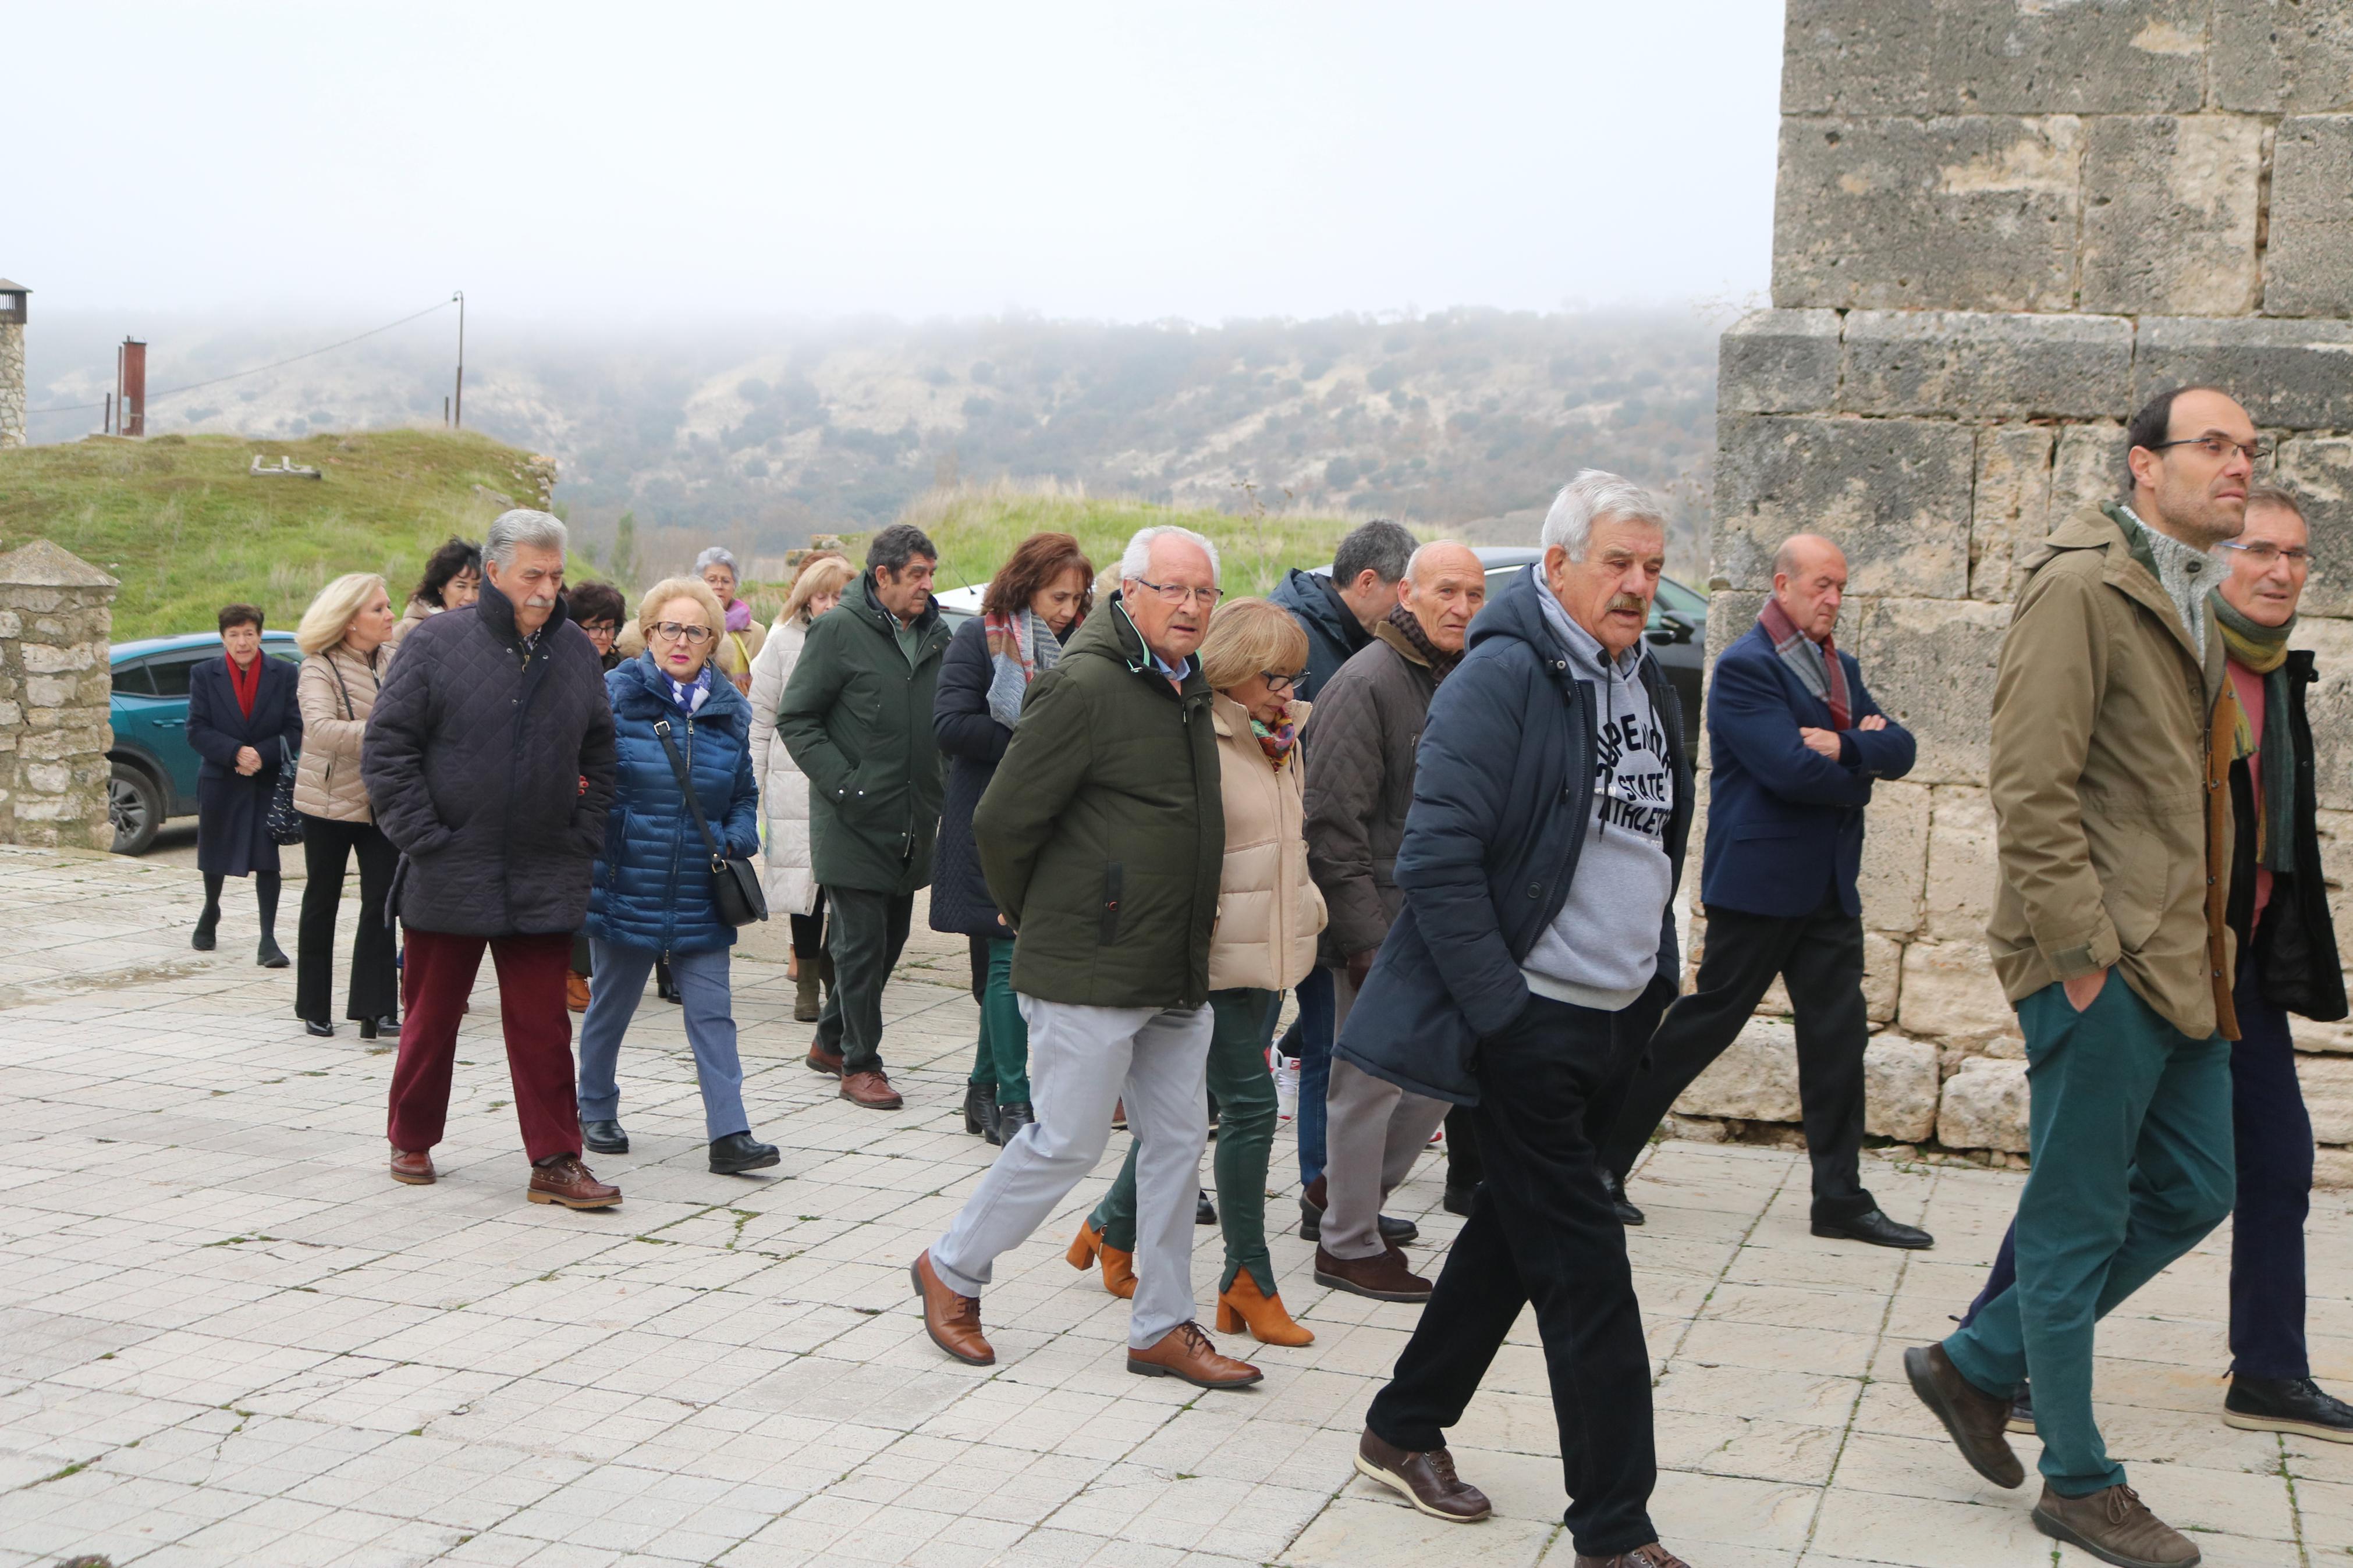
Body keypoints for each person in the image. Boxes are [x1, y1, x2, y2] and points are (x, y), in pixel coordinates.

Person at [1903, 386, 2256, 1568]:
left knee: (2195, 1187)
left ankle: (1975, 1361)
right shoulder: (2079, 585)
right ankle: (2075, 1477)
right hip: (2100, 964)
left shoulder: (2189, 592)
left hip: (2183, 965)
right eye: (2211, 446)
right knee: (2072, 1223)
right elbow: (2028, 781)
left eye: (2247, 450)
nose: (2236, 466)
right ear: (2140, 466)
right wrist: (2078, 957)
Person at [1340, 471, 1692, 1568]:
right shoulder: (1498, 680)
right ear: (1554, 568)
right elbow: (1434, 866)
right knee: (1588, 1275)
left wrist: (1654, 982)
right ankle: (1613, 1532)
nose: (1637, 585)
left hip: (1617, 1021)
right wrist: (1506, 1019)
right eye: (1615, 565)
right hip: (1532, 1024)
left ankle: (1401, 1428)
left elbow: (1647, 845)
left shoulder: (1648, 681)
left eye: (1650, 565)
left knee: (1508, 1238)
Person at [1955, 485, 2353, 1450]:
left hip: (2234, 964)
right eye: (2259, 549)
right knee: (2085, 1175)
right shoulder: (2176, 649)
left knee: (2268, 1165)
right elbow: (2041, 784)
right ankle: (1993, 1356)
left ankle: (2266, 1370)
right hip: (2143, 959)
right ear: (2221, 560)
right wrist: (2086, 956)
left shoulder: (2280, 676)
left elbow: (2265, 838)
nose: (2277, 570)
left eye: (2295, 555)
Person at [912, 524, 1262, 1391]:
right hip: (1088, 960)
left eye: (1203, 592)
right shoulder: (1084, 683)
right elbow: (1001, 819)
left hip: (1172, 961)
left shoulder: (1185, 684)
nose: (1189, 606)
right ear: (1129, 592)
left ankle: (1162, 1325)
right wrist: (1048, 916)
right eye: (1172, 589)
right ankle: (951, 1268)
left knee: (1178, 1140)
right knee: (1065, 1140)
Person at [1595, 535, 1931, 1250]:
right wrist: (1855, 763)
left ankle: (1838, 1198)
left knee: (1836, 1041)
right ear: (1781, 586)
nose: (1833, 599)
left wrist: (1846, 747)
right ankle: (1600, 1165)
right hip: (1759, 886)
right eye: (1820, 586)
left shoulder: (1841, 670)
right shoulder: (1747, 668)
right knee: (1701, 1028)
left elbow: (1899, 746)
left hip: (1827, 892)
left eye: (1840, 586)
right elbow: (1787, 771)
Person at [1072, 596, 1327, 1346]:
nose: (1289, 690)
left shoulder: (1281, 738)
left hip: (1270, 952)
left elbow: (1286, 845)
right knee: (1247, 1108)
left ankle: (1107, 1228)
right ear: (1235, 673)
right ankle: (1246, 1279)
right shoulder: (1196, 738)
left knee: (1193, 1108)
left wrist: (1305, 908)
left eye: (1294, 674)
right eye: (1276, 676)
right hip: (1209, 959)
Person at [364, 510, 622, 1210]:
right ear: (495, 573)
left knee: (543, 1028)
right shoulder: (435, 643)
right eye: (532, 574)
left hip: (545, 866)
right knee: (431, 1016)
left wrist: (582, 830)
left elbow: (601, 752)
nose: (545, 588)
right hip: (451, 863)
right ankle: (411, 1137)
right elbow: (387, 749)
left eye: (556, 575)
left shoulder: (573, 649)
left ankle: (556, 1161)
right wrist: (425, 837)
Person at [1298, 541, 1487, 1301]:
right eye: (1446, 591)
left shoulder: (1461, 678)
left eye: (1474, 594)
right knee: (1366, 1085)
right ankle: (1345, 1242)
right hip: (1376, 926)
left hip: (1442, 920)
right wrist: (1362, 937)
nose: (1462, 606)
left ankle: (1338, 1199)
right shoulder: (1365, 682)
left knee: (1435, 1077)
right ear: (1406, 592)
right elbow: (1330, 822)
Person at [573, 577, 780, 1176]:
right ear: (648, 632)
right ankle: (596, 1108)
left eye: (695, 630)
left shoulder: (729, 710)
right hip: (626, 881)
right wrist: (607, 836)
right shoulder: (613, 696)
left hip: (701, 889)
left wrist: (735, 838)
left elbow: (743, 796)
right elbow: (587, 780)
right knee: (610, 1004)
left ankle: (729, 1132)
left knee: (712, 1012)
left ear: (714, 639)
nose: (681, 641)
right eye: (669, 628)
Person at [1266, 517, 1418, 1208]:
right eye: (1403, 593)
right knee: (1330, 1043)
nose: (1407, 609)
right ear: (1366, 583)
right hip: (1306, 872)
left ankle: (1333, 1190)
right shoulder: (1305, 643)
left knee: (1337, 1038)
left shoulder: (1348, 637)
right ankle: (1318, 1194)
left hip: (1328, 874)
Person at [778, 524, 950, 1110]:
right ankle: (861, 1064)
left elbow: (944, 722)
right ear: (882, 577)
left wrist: (943, 784)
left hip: (911, 820)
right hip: (851, 819)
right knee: (857, 944)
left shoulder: (937, 636)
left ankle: (829, 1041)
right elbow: (797, 718)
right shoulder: (835, 631)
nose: (928, 585)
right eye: (917, 575)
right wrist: (844, 785)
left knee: (891, 941)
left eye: (931, 573)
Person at [931, 532, 1093, 1146]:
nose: (1067, 611)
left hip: (1051, 826)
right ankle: (1014, 1102)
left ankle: (979, 1089)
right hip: (988, 822)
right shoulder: (978, 638)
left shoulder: (1081, 645)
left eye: (1077, 599)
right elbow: (950, 725)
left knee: (1012, 956)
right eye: (1058, 596)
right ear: (1026, 587)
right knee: (1006, 956)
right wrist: (1036, 748)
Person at [290, 573, 400, 1039]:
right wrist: (389, 730)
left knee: (382, 902)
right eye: (378, 608)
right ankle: (314, 1004)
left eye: (388, 605)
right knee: (323, 899)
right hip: (329, 802)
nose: (389, 614)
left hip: (383, 802)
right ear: (350, 620)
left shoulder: (397, 658)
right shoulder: (318, 667)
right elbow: (321, 729)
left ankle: (375, 1009)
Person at [747, 553, 856, 1023]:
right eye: (822, 594)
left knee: (844, 884)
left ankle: (837, 970)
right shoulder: (782, 642)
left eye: (840, 594)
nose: (831, 604)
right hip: (793, 780)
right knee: (802, 886)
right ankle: (807, 985)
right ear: (806, 597)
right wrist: (751, 783)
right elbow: (760, 717)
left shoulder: (863, 641)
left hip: (848, 778)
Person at [185, 603, 301, 967]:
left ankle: (268, 940)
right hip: (222, 777)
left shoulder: (284, 673)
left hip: (266, 780)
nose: (242, 642)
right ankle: (211, 909)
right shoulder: (205, 674)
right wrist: (235, 753)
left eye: (249, 633)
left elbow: (295, 728)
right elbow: (197, 729)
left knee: (268, 861)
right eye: (234, 635)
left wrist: (261, 755)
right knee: (215, 853)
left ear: (260, 635)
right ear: (223, 638)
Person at [560, 581, 629, 1012]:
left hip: (614, 783)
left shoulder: (624, 670)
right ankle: (571, 969)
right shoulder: (561, 666)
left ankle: (602, 967)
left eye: (609, 628)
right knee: (576, 881)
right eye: (593, 628)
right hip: (572, 787)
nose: (603, 637)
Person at [386, 536, 482, 655]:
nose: (470, 596)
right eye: (461, 586)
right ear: (441, 586)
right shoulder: (408, 631)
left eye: (477, 587)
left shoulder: (490, 631)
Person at [698, 546, 765, 695]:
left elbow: (763, 686)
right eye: (712, 580)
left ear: (734, 586)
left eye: (726, 581)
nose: (719, 586)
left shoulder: (757, 632)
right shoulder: (690, 626)